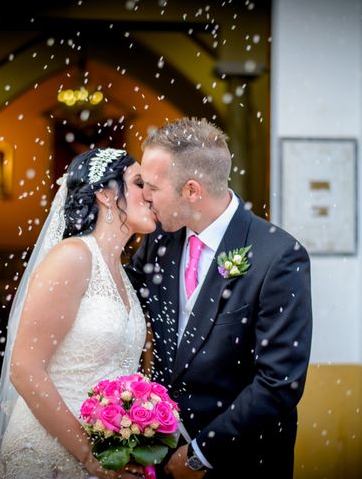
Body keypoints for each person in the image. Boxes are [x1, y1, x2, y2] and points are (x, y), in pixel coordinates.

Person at [126, 118, 313, 479]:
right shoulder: (160, 241)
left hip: (240, 462)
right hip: (159, 453)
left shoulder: (279, 257)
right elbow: (119, 301)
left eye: (151, 186)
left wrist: (200, 454)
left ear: (192, 190)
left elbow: (278, 383)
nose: (144, 195)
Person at [0, 148, 155, 478]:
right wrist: (88, 456)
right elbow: (25, 369)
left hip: (107, 455)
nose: (150, 192)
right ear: (105, 194)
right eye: (139, 182)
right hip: (49, 454)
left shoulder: (121, 273)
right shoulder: (72, 257)